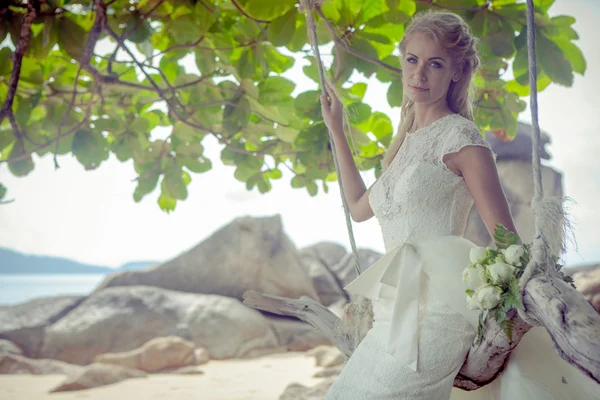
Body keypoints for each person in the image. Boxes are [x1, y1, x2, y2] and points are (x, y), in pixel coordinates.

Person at [319, 9, 599, 400]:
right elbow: (359, 208)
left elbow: (506, 240)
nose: (419, 74)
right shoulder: (403, 144)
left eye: (434, 64)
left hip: (440, 311)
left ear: (455, 72)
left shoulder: (462, 138)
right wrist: (336, 129)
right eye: (412, 61)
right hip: (391, 312)